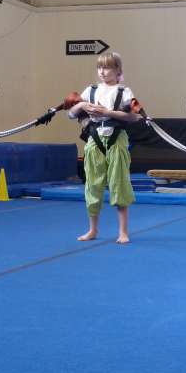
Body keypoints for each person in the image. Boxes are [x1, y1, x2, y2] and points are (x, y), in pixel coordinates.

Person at [68, 52, 142, 244]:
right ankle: (92, 229)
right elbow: (71, 114)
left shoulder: (124, 91)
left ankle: (123, 232)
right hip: (95, 140)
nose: (102, 71)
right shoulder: (90, 90)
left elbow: (136, 116)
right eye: (100, 67)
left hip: (116, 139)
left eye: (107, 67)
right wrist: (83, 105)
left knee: (119, 183)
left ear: (117, 70)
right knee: (92, 184)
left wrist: (108, 112)